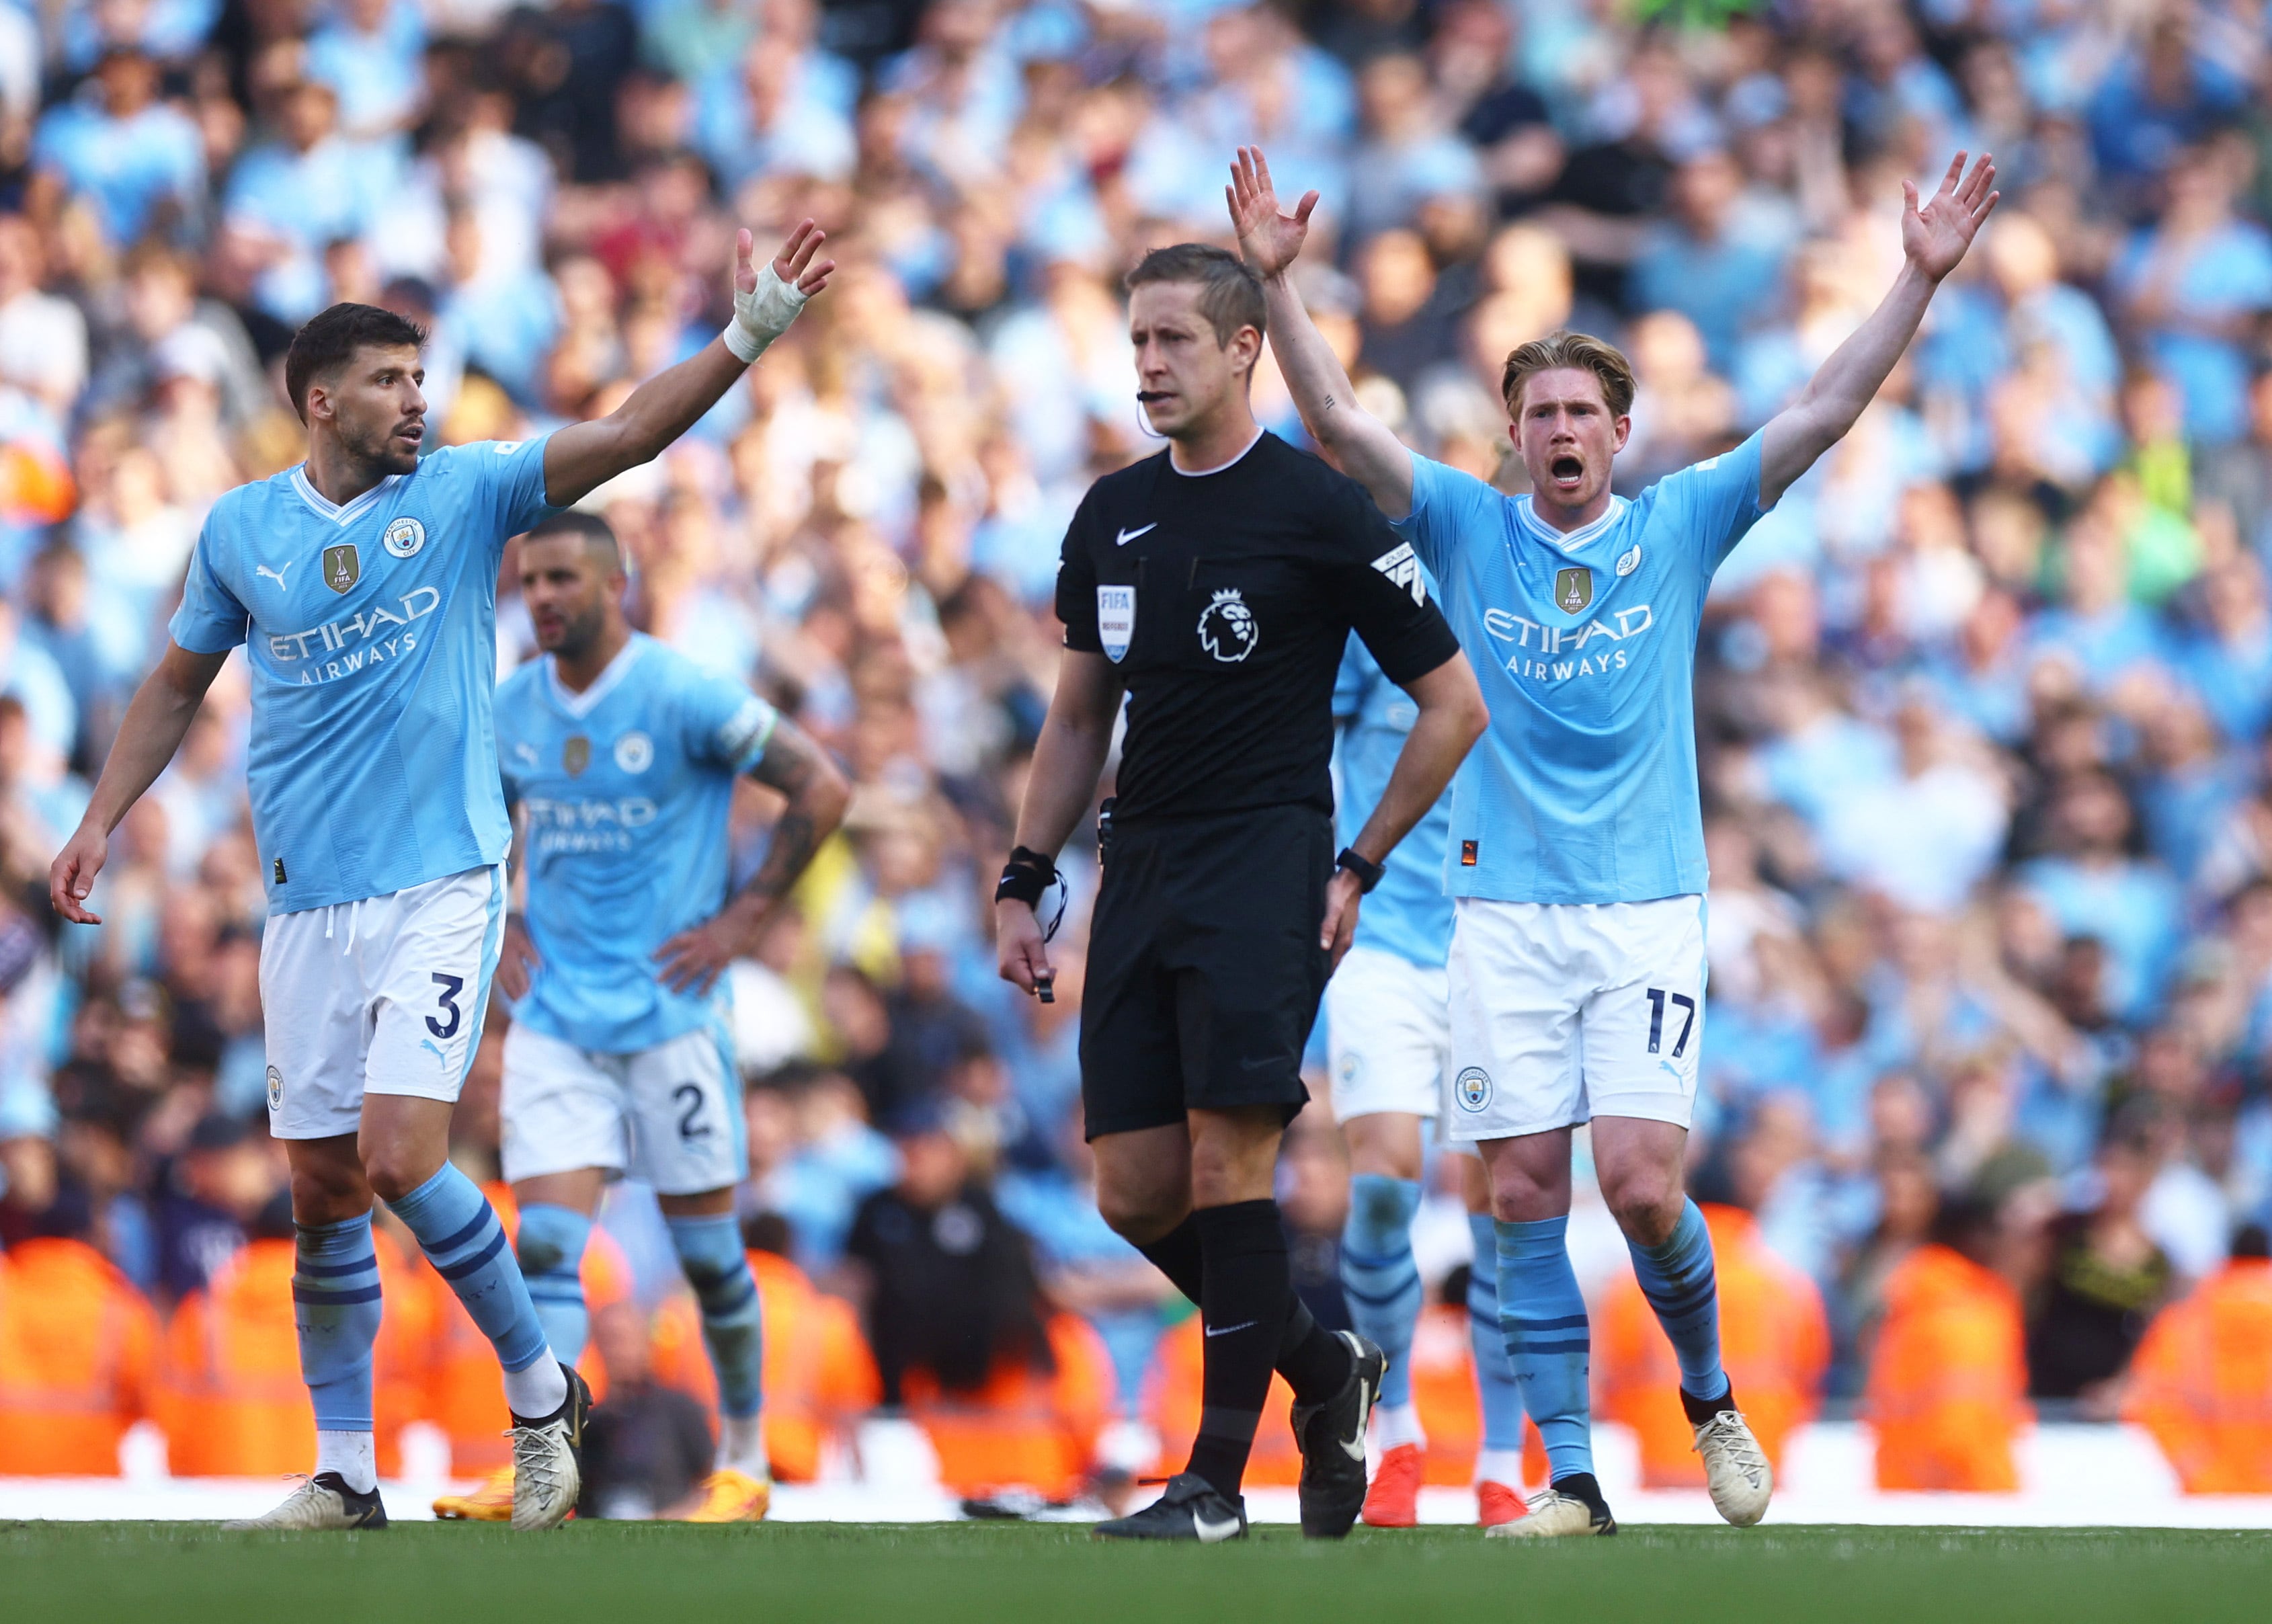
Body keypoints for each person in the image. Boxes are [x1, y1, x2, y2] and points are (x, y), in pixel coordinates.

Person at [1230, 140, 1998, 1536]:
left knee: (1641, 1183)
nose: (1563, 431)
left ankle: (1707, 1396)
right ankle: (1573, 1478)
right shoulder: (1463, 527)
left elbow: (1825, 406)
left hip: (1646, 903)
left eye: (1583, 410)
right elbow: (1339, 422)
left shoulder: (1679, 524)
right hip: (1500, 915)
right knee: (1520, 1188)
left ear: (1618, 431)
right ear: (1513, 433)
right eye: (1541, 411)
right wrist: (1278, 290)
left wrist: (1916, 277)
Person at [47, 220, 835, 1531]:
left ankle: (541, 1399)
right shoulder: (241, 529)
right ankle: (348, 1473)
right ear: (322, 399)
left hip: (441, 878)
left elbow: (632, 433)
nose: (422, 399)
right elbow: (175, 683)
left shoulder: (468, 490)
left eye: (425, 378)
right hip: (305, 896)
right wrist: (97, 818)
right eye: (394, 381)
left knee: (404, 1150)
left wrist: (746, 332)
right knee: (320, 1190)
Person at [994, 241, 1486, 1542]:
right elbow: (1078, 711)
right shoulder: (1110, 512)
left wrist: (1359, 860)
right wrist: (1024, 876)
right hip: (1139, 858)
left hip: (1266, 856)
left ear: (1240, 348)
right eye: (1137, 340)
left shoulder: (1319, 509)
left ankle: (1214, 1481)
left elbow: (1452, 703)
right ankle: (1325, 1375)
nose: (1148, 363)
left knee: (1230, 1159)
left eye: (1173, 340)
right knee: (1136, 1191)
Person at [442, 507, 848, 1525]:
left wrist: (748, 915)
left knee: (711, 1259)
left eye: (564, 580)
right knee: (545, 1247)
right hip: (560, 1018)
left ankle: (746, 1464)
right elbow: (473, 826)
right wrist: (504, 921)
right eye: (530, 582)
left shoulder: (681, 693)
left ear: (615, 586)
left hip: (674, 1015)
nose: (542, 599)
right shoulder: (513, 707)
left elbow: (822, 785)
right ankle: (546, 1463)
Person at [1325, 631, 1529, 1529]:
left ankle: (1498, 1457)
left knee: (1498, 1208)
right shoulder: (1373, 615)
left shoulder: (1522, 609)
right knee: (1379, 1190)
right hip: (1385, 946)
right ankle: (1398, 1429)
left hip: (1498, 946)